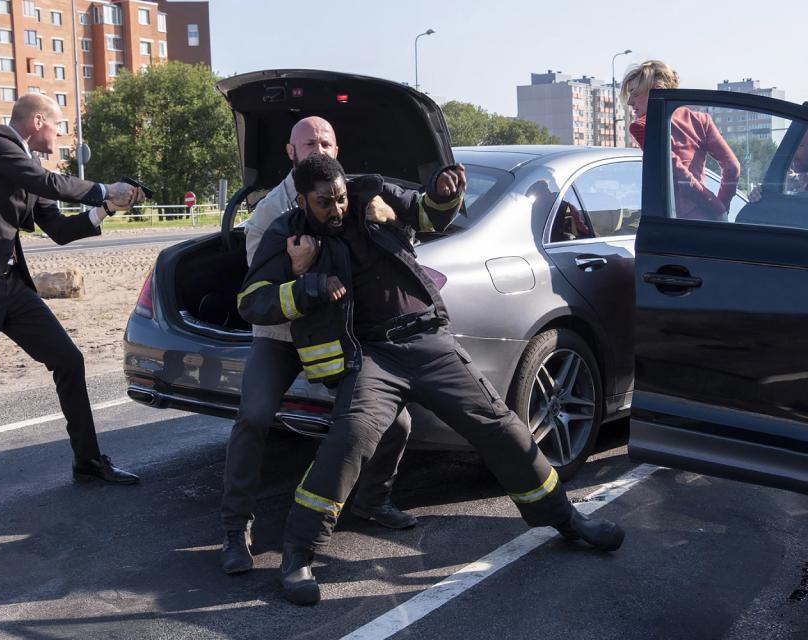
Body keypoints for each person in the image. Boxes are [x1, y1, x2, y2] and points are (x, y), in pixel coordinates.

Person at [239, 155, 625, 605]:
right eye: (324, 203)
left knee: (498, 424)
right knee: (350, 438)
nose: (338, 208)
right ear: (302, 200)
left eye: (341, 197)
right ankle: (298, 554)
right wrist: (304, 286)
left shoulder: (373, 193)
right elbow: (252, 302)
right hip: (372, 355)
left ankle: (565, 518)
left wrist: (444, 192)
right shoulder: (288, 235)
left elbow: (428, 213)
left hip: (426, 339)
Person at [0, 93, 143, 511]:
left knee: (69, 360)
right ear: (37, 121)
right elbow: (47, 183)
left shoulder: (33, 171)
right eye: (59, 126)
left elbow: (60, 230)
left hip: (11, 286)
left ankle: (87, 460)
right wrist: (105, 187)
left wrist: (107, 207)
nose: (63, 134)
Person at [220, 116, 416, 575]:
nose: (319, 148)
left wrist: (392, 221)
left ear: (337, 146)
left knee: (399, 420)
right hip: (283, 335)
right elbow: (260, 294)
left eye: (326, 140)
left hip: (336, 333)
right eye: (308, 142)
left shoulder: (352, 197)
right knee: (253, 417)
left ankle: (372, 500)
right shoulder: (269, 214)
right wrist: (302, 275)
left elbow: (392, 251)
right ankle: (234, 530)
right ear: (291, 152)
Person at [622, 60, 740, 221]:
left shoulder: (642, 126)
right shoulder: (700, 120)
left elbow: (677, 174)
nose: (630, 102)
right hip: (706, 220)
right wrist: (720, 209)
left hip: (673, 224)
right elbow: (732, 167)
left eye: (635, 93)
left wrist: (716, 207)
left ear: (656, 90)